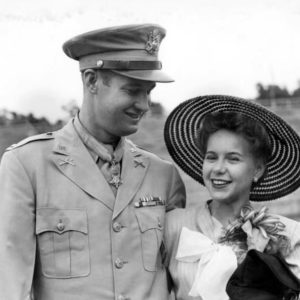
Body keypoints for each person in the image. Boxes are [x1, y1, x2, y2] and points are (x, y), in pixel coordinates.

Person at [0, 24, 186, 300]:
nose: (144, 105)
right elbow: (10, 285)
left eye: (148, 92)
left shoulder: (164, 176)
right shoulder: (27, 165)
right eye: (133, 90)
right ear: (91, 81)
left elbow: (187, 278)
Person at [163, 95, 300, 300]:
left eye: (233, 159)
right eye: (211, 157)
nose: (218, 168)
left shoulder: (288, 234)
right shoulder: (173, 225)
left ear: (258, 169)